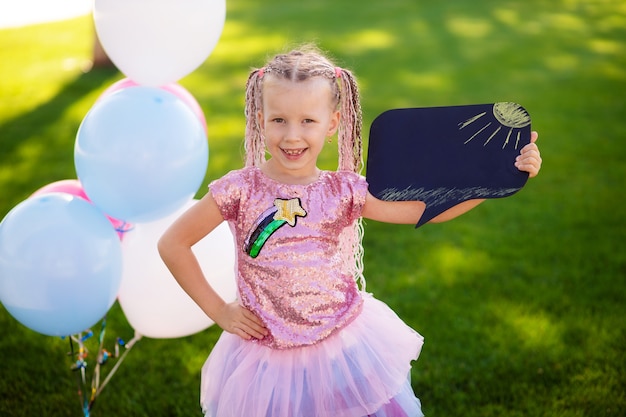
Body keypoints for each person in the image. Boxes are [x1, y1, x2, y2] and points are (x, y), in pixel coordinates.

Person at [158, 46, 542, 417]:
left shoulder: (343, 191)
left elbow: (423, 212)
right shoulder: (239, 189)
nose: (292, 136)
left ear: (333, 124)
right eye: (279, 120)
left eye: (308, 120)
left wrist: (502, 176)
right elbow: (173, 243)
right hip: (265, 356)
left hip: (339, 346)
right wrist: (219, 310)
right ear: (260, 120)